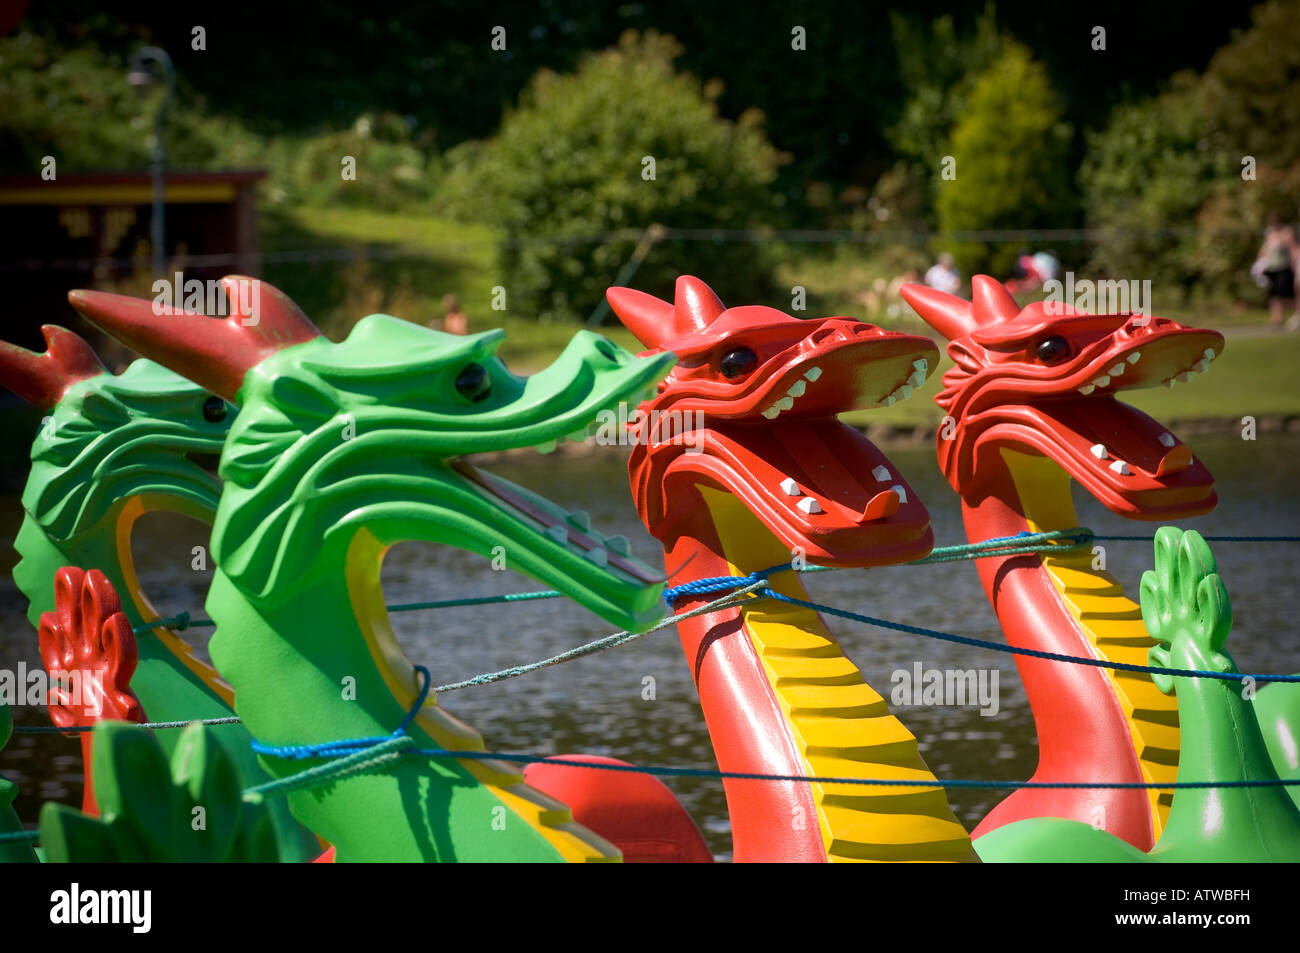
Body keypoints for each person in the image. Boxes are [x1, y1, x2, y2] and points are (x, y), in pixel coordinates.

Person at [1255, 213, 1298, 329]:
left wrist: (1295, 263)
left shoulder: (1287, 232)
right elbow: (1265, 247)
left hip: (1283, 266)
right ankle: (1276, 317)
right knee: (1273, 294)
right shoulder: (1269, 231)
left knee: (1286, 293)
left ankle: (1296, 315)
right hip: (1271, 267)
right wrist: (1258, 263)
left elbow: (1293, 247)